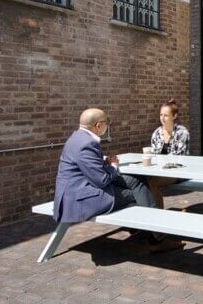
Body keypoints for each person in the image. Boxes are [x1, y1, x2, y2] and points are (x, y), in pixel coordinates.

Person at [53, 108, 182, 252]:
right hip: (80, 200)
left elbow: (83, 164)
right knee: (139, 195)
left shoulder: (77, 137)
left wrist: (103, 161)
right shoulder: (87, 144)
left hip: (75, 191)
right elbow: (102, 180)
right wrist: (113, 166)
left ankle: (140, 230)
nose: (108, 125)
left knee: (136, 181)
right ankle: (156, 239)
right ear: (98, 126)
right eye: (106, 122)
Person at [148, 98, 190, 209]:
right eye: (161, 115)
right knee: (141, 180)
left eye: (166, 115)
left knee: (152, 183)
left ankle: (158, 213)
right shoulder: (157, 133)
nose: (162, 118)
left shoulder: (182, 132)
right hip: (160, 171)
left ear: (174, 116)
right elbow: (153, 156)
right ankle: (147, 212)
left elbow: (178, 160)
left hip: (179, 171)